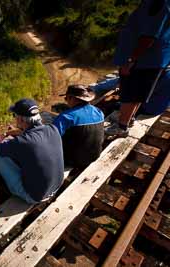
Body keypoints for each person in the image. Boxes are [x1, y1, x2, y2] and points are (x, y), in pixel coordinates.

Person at [106, 0, 170, 136]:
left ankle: (121, 127)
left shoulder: (158, 4)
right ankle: (128, 120)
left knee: (130, 93)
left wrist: (130, 60)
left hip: (143, 60)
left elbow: (149, 36)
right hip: (154, 59)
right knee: (138, 92)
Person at [0, 98, 64, 204]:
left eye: (14, 116)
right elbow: (34, 137)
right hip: (56, 186)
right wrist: (15, 133)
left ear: (20, 119)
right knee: (5, 151)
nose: (14, 119)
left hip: (34, 196)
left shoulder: (23, 142)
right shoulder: (52, 129)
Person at [53, 85, 104, 168]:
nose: (66, 101)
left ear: (72, 98)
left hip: (73, 161)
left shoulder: (66, 116)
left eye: (66, 98)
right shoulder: (99, 111)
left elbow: (52, 139)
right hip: (94, 156)